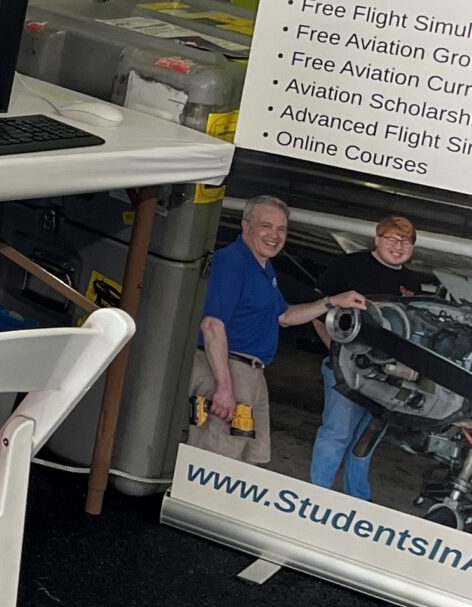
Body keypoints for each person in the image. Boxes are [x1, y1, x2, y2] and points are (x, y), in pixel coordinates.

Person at [188, 196, 363, 470]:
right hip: (227, 369)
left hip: (253, 374)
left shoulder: (264, 269)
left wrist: (331, 302)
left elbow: (284, 317)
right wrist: (224, 387)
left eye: (281, 229)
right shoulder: (232, 263)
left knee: (250, 460)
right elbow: (212, 325)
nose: (275, 235)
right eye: (266, 226)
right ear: (246, 226)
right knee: (216, 460)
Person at [306, 214, 445, 498]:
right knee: (337, 433)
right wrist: (334, 353)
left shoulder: (412, 284)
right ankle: (317, 496)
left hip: (387, 378)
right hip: (346, 370)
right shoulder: (349, 265)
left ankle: (358, 499)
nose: (398, 246)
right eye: (392, 238)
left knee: (365, 440)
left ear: (413, 248)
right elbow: (318, 310)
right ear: (377, 238)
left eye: (405, 241)